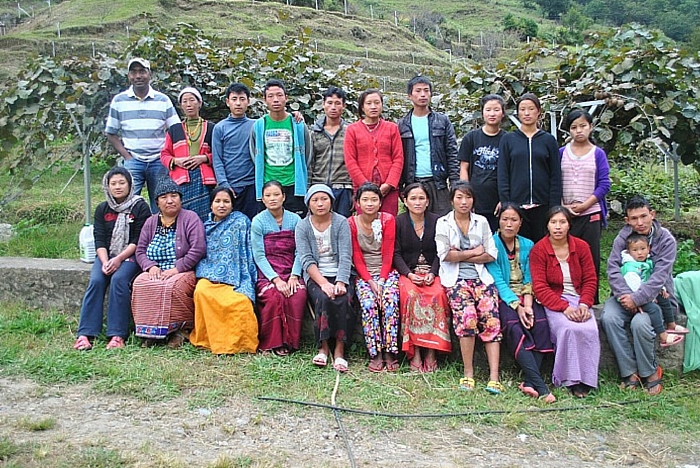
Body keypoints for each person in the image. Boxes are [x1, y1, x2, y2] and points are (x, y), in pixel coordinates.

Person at [602, 196, 682, 395]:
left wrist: (637, 299)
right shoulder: (623, 237)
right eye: (634, 218)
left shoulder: (666, 240)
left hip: (657, 299)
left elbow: (659, 276)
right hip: (623, 296)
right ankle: (630, 372)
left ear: (652, 215)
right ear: (627, 220)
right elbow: (612, 268)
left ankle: (651, 372)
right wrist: (626, 296)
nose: (640, 222)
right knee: (609, 318)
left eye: (644, 216)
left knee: (641, 323)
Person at [435, 181, 503, 394]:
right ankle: (468, 373)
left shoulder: (481, 221)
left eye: (468, 197)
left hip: (482, 279)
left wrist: (460, 254)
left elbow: (491, 253)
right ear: (452, 200)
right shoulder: (443, 223)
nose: (464, 202)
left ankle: (494, 376)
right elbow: (445, 254)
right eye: (459, 197)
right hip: (456, 281)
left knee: (491, 320)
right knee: (467, 318)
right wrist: (474, 252)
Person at [73, 167, 151, 351]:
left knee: (119, 280)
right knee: (96, 280)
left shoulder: (140, 206)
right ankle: (85, 334)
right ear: (107, 186)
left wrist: (119, 259)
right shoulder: (103, 208)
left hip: (131, 255)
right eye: (113, 183)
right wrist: (106, 260)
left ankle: (117, 335)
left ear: (130, 184)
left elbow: (139, 240)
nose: (118, 187)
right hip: (106, 255)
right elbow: (99, 238)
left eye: (122, 183)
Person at [485, 203, 556, 402]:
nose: (509, 224)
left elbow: (530, 277)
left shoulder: (528, 244)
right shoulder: (491, 244)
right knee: (515, 328)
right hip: (503, 297)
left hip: (527, 296)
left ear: (521, 223)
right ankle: (541, 387)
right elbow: (497, 279)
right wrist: (517, 306)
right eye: (505, 219)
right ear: (499, 221)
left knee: (540, 323)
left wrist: (527, 304)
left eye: (514, 220)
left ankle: (528, 381)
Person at [530, 206, 599, 398]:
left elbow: (591, 279)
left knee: (589, 329)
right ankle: (570, 380)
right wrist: (565, 308)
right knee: (568, 329)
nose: (558, 227)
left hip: (579, 299)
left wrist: (584, 304)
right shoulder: (539, 250)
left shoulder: (582, 247)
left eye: (562, 222)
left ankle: (587, 379)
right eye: (554, 222)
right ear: (547, 225)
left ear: (569, 225)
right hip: (555, 301)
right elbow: (540, 287)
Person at [132, 177, 206, 348]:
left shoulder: (190, 218)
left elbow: (198, 248)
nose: (170, 201)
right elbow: (140, 250)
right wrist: (150, 267)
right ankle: (151, 332)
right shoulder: (151, 222)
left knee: (173, 287)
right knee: (140, 283)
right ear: (157, 202)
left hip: (183, 270)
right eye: (164, 197)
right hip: (156, 269)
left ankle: (180, 331)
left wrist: (177, 268)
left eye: (174, 196)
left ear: (181, 199)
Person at [105, 58, 181, 212]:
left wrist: (168, 155)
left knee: (161, 204)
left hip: (159, 161)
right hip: (133, 160)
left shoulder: (162, 100)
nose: (138, 76)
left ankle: (158, 234)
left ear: (149, 74)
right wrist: (127, 157)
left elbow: (176, 130)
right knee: (127, 204)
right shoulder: (119, 101)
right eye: (134, 72)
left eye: (142, 71)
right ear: (128, 76)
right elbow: (111, 133)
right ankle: (130, 235)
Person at [190, 187, 259, 354]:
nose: (222, 205)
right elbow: (201, 254)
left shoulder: (241, 222)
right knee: (201, 292)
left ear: (232, 205)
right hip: (209, 274)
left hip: (237, 277)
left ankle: (241, 344)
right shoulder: (204, 227)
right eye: (218, 201)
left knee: (241, 301)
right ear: (211, 205)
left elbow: (247, 251)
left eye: (226, 201)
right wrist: (212, 274)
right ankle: (208, 339)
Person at [296, 184, 356, 373]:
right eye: (315, 200)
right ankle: (322, 347)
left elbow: (346, 255)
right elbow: (305, 259)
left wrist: (340, 281)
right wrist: (323, 283)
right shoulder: (302, 225)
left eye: (324, 199)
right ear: (308, 204)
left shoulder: (341, 222)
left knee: (343, 298)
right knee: (323, 298)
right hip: (317, 274)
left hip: (340, 272)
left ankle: (339, 350)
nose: (320, 204)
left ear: (331, 201)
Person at [393, 182, 451, 373]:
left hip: (433, 274)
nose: (417, 202)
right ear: (405, 201)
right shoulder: (398, 222)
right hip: (408, 273)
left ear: (428, 201)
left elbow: (441, 252)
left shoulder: (438, 221)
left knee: (438, 296)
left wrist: (433, 273)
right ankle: (415, 352)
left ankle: (431, 352)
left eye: (421, 198)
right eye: (413, 198)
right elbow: (396, 253)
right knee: (411, 296)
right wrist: (409, 274)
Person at [348, 183, 400, 372]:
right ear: (358, 203)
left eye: (374, 199)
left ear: (380, 202)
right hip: (364, 275)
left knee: (390, 301)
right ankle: (375, 352)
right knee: (369, 303)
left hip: (387, 272)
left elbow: (388, 253)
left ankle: (390, 351)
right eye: (365, 199)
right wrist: (370, 281)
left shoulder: (388, 219)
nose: (369, 204)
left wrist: (382, 280)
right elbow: (356, 256)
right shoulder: (351, 223)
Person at [560, 109, 611, 302]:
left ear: (591, 127)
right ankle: (568, 297)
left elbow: (604, 184)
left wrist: (585, 205)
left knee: (590, 258)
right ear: (569, 131)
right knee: (567, 257)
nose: (578, 131)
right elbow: (555, 181)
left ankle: (591, 299)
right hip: (566, 215)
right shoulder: (561, 153)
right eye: (574, 127)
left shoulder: (598, 154)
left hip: (591, 214)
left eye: (583, 126)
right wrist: (563, 207)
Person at [251, 181, 307, 355]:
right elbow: (259, 255)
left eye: (276, 194)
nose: (272, 199)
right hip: (268, 272)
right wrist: (275, 279)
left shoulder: (296, 219)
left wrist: (294, 276)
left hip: (291, 269)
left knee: (297, 295)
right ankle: (272, 342)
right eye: (268, 196)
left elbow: (300, 251)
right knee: (273, 295)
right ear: (263, 199)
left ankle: (290, 341)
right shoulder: (258, 221)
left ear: (284, 197)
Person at [498, 93, 561, 242]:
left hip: (543, 206)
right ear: (518, 112)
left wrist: (554, 207)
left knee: (543, 247)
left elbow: (555, 176)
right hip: (517, 206)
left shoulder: (548, 140)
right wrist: (507, 204)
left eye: (531, 109)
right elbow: (503, 174)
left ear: (539, 111)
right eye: (522, 109)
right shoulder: (508, 139)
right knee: (519, 247)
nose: (527, 113)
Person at [397, 76, 459, 216]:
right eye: (418, 91)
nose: (423, 94)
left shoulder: (442, 121)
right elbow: (399, 156)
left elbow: (452, 152)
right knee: (416, 224)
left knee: (443, 224)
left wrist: (455, 184)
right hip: (413, 182)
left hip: (438, 183)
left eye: (426, 90)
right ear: (409, 96)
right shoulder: (402, 124)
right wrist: (400, 186)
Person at [250, 79, 312, 217]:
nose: (275, 100)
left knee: (295, 227)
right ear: (264, 100)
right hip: (268, 185)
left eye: (279, 95)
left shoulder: (297, 124)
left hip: (293, 184)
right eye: (271, 96)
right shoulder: (259, 125)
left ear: (286, 98)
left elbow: (307, 153)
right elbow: (254, 153)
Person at [344, 89, 404, 216]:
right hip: (363, 190)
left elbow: (398, 158)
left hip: (388, 191)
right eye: (369, 103)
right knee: (365, 226)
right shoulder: (352, 130)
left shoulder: (392, 128)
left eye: (377, 103)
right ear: (362, 106)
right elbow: (350, 160)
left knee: (388, 224)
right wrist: (365, 186)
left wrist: (388, 184)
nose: (373, 106)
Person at [160, 86, 216, 220]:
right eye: (184, 101)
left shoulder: (211, 128)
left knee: (204, 216)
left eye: (192, 100)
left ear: (199, 103)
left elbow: (219, 154)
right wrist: (176, 161)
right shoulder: (174, 130)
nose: (189, 104)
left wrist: (204, 158)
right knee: (182, 217)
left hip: (203, 181)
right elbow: (164, 154)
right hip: (181, 180)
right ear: (181, 106)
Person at [620, 232, 683, 348]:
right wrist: (649, 297)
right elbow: (634, 286)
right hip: (635, 297)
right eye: (635, 250)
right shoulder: (630, 267)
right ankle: (662, 336)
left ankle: (671, 324)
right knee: (654, 309)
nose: (640, 253)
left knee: (665, 299)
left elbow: (652, 278)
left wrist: (660, 288)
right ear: (629, 252)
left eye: (643, 249)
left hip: (648, 293)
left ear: (649, 248)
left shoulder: (647, 262)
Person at [459, 94, 506, 232]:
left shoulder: (508, 139)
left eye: (496, 110)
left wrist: (504, 199)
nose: (492, 114)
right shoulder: (471, 138)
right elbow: (464, 168)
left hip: (497, 201)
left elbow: (512, 171)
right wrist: (466, 196)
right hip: (476, 199)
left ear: (503, 113)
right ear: (482, 113)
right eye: (488, 109)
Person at [211, 83, 258, 221]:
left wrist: (296, 116)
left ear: (248, 101)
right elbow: (217, 159)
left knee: (250, 223)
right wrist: (224, 184)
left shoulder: (256, 125)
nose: (238, 103)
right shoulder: (220, 128)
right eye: (234, 99)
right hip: (230, 187)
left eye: (242, 99)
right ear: (227, 102)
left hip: (251, 186)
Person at [308, 86, 354, 218]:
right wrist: (308, 189)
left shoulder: (350, 131)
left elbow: (355, 161)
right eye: (329, 103)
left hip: (344, 188)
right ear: (323, 104)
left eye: (337, 103)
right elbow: (310, 163)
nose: (333, 107)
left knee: (342, 228)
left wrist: (355, 191)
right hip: (319, 188)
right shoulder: (314, 132)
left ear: (343, 106)